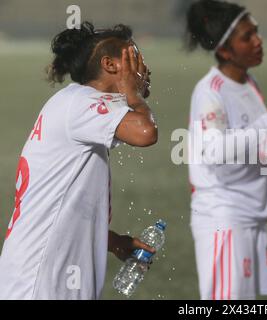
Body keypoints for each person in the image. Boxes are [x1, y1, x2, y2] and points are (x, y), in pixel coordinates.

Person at [0, 22, 158, 299]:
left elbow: (57, 202)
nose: (143, 68)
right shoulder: (82, 103)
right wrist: (133, 94)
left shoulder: (74, 103)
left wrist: (109, 240)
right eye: (135, 58)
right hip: (41, 281)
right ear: (110, 65)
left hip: (42, 274)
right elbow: (145, 133)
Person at [185, 0, 267, 300]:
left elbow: (250, 153)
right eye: (247, 36)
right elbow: (216, 152)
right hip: (224, 219)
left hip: (252, 218)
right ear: (224, 50)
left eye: (257, 32)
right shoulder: (210, 92)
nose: (258, 41)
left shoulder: (249, 83)